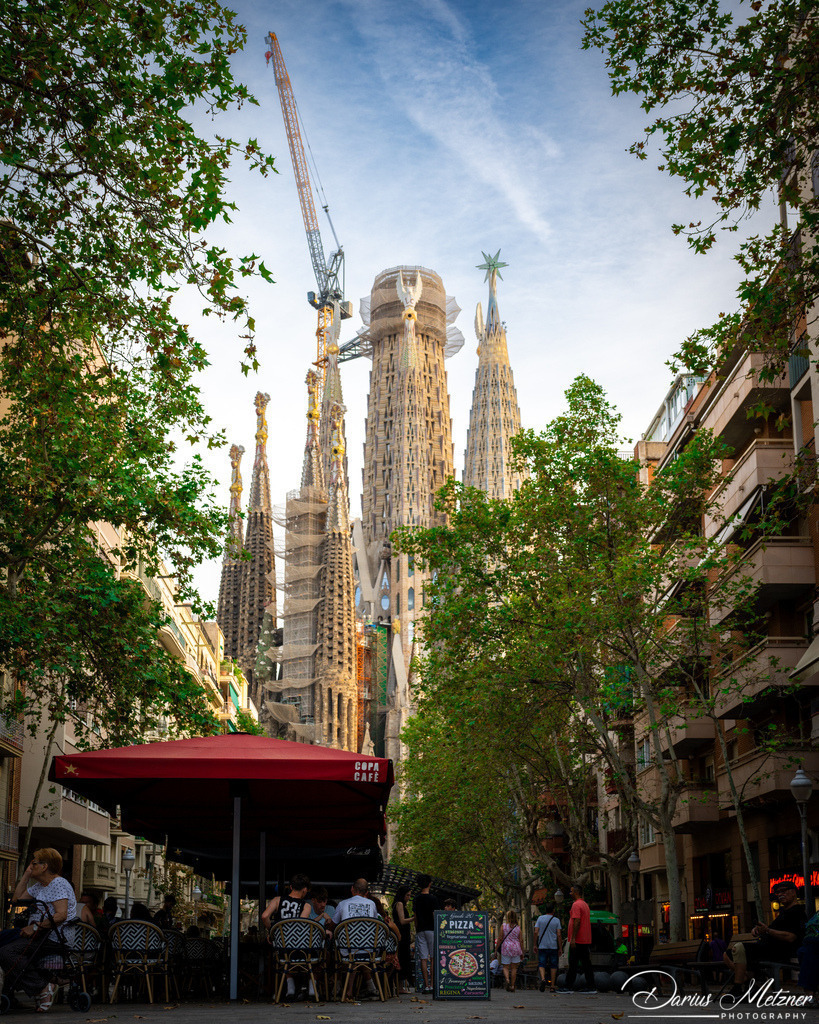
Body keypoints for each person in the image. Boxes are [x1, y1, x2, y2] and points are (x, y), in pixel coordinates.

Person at [0, 848, 78, 1012]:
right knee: (4, 944)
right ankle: (18, 992)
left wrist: (35, 926)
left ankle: (43, 987)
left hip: (54, 938)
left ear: (44, 866)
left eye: (34, 863)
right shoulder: (41, 885)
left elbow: (61, 915)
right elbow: (16, 899)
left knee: (6, 952)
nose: (31, 865)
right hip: (40, 935)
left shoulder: (58, 883)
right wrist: (27, 874)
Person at [723, 880, 806, 996]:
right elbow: (769, 930)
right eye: (778, 892)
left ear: (793, 893)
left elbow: (791, 937)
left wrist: (767, 930)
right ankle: (749, 984)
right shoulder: (783, 913)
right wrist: (758, 930)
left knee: (739, 948)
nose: (780, 894)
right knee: (727, 955)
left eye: (784, 891)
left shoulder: (797, 913)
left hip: (778, 952)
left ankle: (738, 988)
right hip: (766, 949)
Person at [331, 879, 380, 1000]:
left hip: (348, 949)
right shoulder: (372, 904)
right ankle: (369, 989)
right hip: (369, 950)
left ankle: (344, 990)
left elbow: (333, 925)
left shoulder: (342, 904)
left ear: (352, 889)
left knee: (348, 953)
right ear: (367, 892)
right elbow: (375, 924)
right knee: (358, 953)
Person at [560, 883, 595, 994]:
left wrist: (573, 938)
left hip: (578, 939)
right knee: (585, 963)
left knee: (573, 963)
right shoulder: (585, 904)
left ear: (576, 892)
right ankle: (591, 986)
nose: (570, 893)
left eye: (571, 891)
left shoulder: (576, 905)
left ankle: (568, 986)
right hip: (584, 938)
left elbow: (577, 921)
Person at [413, 874, 437, 995]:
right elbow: (434, 915)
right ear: (429, 884)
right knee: (433, 958)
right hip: (432, 930)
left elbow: (415, 916)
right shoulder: (433, 899)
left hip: (420, 930)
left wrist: (417, 929)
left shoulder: (416, 899)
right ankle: (433, 985)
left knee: (423, 958)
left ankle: (426, 986)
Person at [535, 903, 563, 993]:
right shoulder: (556, 920)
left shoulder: (540, 918)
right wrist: (560, 948)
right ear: (553, 910)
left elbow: (536, 932)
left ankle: (543, 979)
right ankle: (552, 986)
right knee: (553, 965)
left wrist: (535, 944)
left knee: (541, 964)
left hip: (542, 946)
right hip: (553, 946)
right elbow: (559, 934)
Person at [391, 885, 413, 994]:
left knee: (402, 958)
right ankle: (400, 987)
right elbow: (402, 921)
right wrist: (414, 918)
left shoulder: (398, 904)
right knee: (403, 958)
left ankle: (400, 986)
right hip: (402, 935)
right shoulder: (399, 904)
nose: (409, 897)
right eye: (407, 895)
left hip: (402, 935)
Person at [497, 909, 525, 993]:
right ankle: (512, 986)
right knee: (514, 968)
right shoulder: (518, 927)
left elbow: (500, 938)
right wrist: (522, 952)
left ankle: (507, 979)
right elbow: (521, 940)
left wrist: (496, 949)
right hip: (516, 948)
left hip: (506, 948)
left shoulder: (503, 926)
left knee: (505, 967)